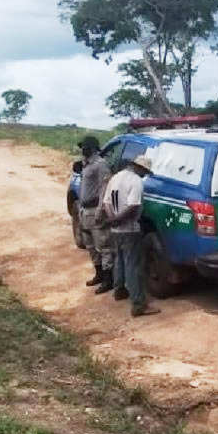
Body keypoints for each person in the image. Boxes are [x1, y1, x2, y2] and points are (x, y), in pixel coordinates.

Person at [103, 155, 161, 317]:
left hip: (116, 229)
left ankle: (119, 290)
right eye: (144, 172)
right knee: (133, 266)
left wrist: (112, 219)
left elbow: (106, 202)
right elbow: (133, 207)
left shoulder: (115, 178)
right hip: (129, 228)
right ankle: (138, 305)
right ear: (139, 168)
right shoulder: (136, 181)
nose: (144, 175)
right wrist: (118, 220)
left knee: (119, 260)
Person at [76, 136, 115, 294]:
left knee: (103, 246)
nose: (82, 150)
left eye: (85, 147)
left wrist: (101, 209)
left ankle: (108, 280)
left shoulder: (100, 165)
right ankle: (99, 274)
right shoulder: (86, 164)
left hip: (95, 210)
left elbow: (105, 188)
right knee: (90, 245)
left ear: (92, 148)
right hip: (85, 210)